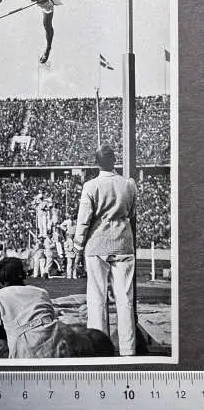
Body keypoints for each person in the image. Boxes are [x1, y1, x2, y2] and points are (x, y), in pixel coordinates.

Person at [73, 144, 137, 356]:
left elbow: (84, 220)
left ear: (97, 163)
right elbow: (132, 212)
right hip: (123, 243)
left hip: (97, 244)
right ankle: (128, 349)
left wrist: (77, 246)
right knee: (125, 299)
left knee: (97, 299)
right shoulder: (129, 184)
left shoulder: (91, 186)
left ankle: (99, 349)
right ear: (114, 160)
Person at [0, 257, 115, 359]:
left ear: (1, 278)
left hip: (26, 351)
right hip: (58, 344)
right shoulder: (41, 292)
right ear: (24, 275)